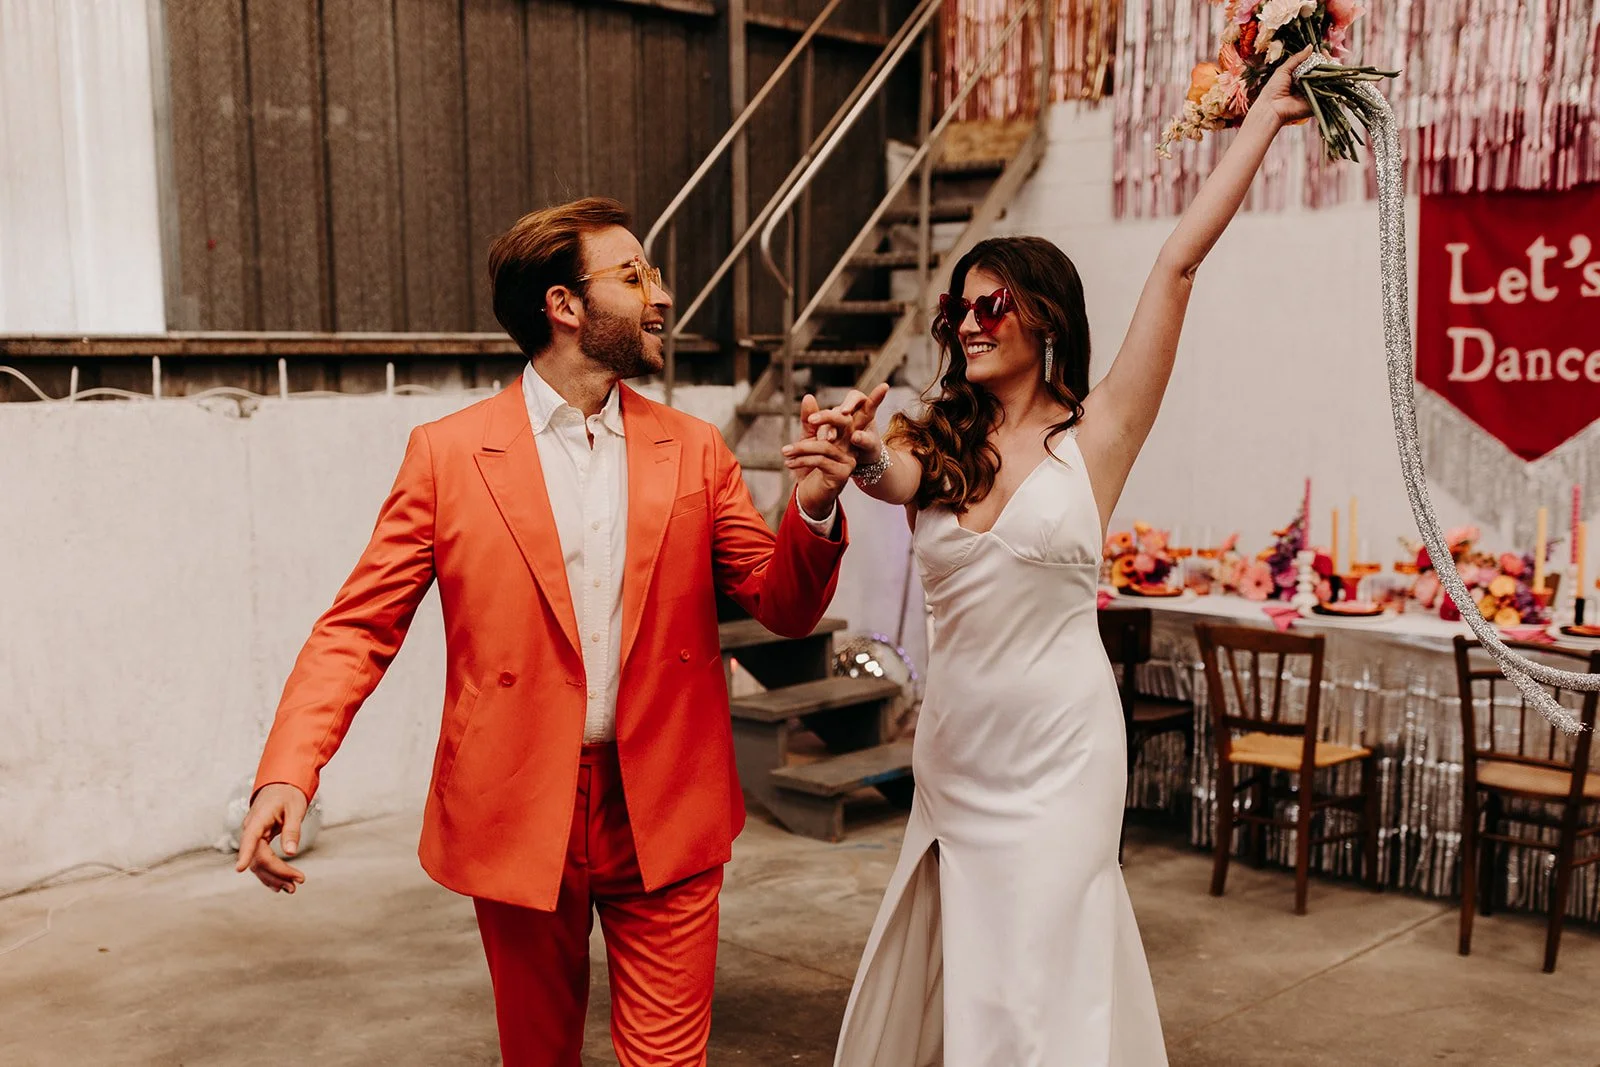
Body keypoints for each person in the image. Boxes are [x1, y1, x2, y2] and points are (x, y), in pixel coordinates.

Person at [234, 197, 859, 1067]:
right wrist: (288, 770)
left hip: (666, 797)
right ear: (564, 305)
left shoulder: (694, 449)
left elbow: (781, 604)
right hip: (519, 799)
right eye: (634, 275)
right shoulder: (447, 454)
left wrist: (814, 507)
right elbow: (358, 626)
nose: (662, 295)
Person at [796, 56, 1317, 1066]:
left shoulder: (1101, 432)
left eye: (992, 304)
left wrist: (1258, 122)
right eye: (959, 310)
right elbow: (889, 476)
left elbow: (1175, 265)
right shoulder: (932, 436)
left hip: (1064, 755)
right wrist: (854, 452)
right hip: (959, 754)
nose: (969, 322)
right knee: (980, 975)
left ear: (1046, 316)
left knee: (1043, 974)